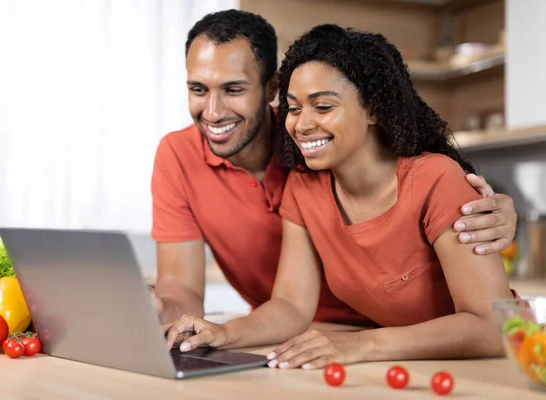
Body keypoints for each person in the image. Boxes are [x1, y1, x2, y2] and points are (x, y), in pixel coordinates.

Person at [163, 24, 514, 369]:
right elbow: (291, 306)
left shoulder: (436, 178)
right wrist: (223, 333)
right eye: (294, 108)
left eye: (323, 107)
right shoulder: (303, 188)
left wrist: (359, 344)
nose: (301, 125)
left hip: (495, 368)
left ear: (373, 108)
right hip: (404, 365)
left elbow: (492, 326)